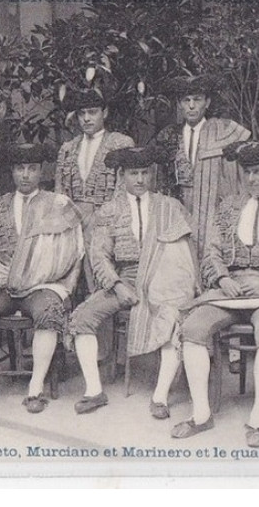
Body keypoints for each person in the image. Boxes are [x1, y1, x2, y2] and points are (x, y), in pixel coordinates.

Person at [174, 140, 259, 446]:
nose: (251, 179)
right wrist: (222, 278)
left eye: (258, 172)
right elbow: (210, 251)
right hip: (230, 289)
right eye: (247, 173)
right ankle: (201, 414)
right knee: (192, 328)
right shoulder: (227, 208)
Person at [68, 145, 199, 418]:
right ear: (122, 176)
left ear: (151, 174)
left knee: (174, 321)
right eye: (132, 173)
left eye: (144, 173)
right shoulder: (109, 211)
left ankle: (160, 396)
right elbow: (99, 256)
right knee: (82, 317)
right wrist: (116, 285)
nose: (139, 179)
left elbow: (186, 249)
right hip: (125, 278)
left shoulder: (170, 207)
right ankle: (94, 390)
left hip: (165, 278)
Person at [0, 142, 84, 419]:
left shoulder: (56, 206)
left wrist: (56, 278)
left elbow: (73, 251)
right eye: (20, 168)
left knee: (49, 311)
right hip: (3, 284)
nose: (25, 175)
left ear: (40, 172)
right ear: (12, 172)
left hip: (41, 286)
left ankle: (35, 388)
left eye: (32, 169)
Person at [154, 73, 250, 259]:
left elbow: (236, 177)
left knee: (211, 252)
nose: (191, 106)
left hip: (213, 203)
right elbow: (161, 180)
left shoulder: (224, 131)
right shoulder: (169, 135)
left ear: (207, 102)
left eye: (197, 100)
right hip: (180, 205)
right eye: (186, 100)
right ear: (179, 104)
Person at [54, 88, 137, 226]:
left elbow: (123, 193)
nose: (86, 119)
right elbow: (59, 193)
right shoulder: (67, 149)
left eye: (92, 112)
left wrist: (103, 221)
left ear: (104, 113)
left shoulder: (120, 143)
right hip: (72, 225)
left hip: (108, 224)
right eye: (81, 114)